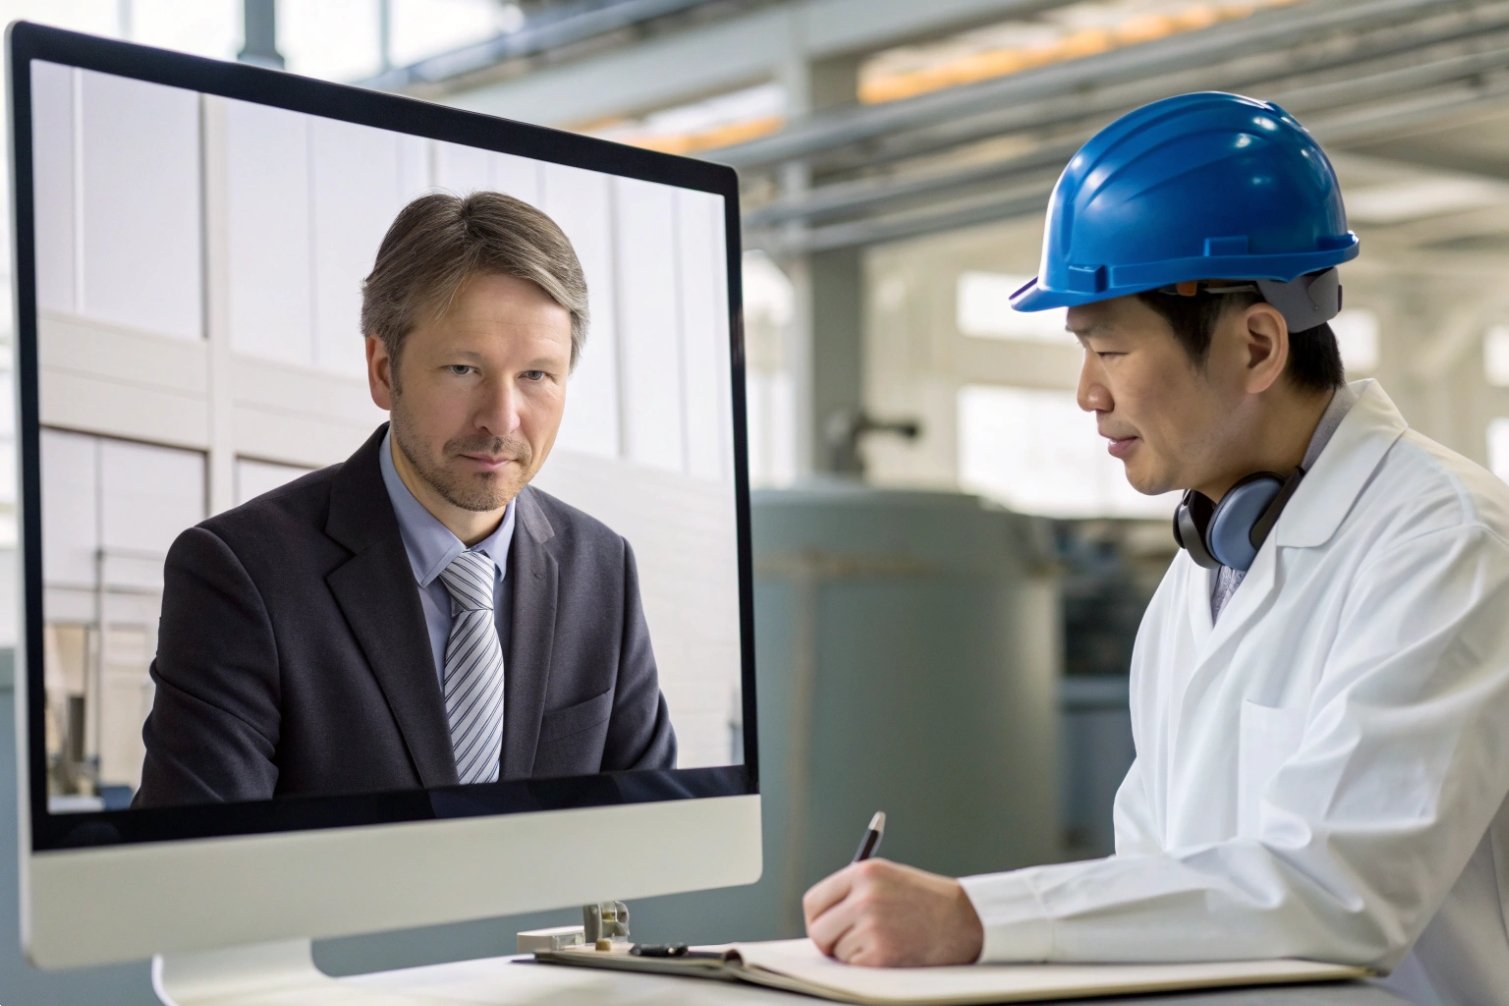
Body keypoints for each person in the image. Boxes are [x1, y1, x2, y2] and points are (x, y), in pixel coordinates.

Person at [802, 92, 1509, 1006]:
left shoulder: (1445, 542)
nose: (1086, 395)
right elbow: (1155, 877)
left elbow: (1338, 891)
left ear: (1255, 345)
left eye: (1109, 351)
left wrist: (976, 921)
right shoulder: (1202, 569)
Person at [135, 191, 676, 806]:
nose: (502, 419)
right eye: (464, 369)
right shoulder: (240, 573)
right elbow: (201, 855)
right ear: (383, 369)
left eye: (536, 375)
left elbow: (652, 828)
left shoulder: (603, 568)